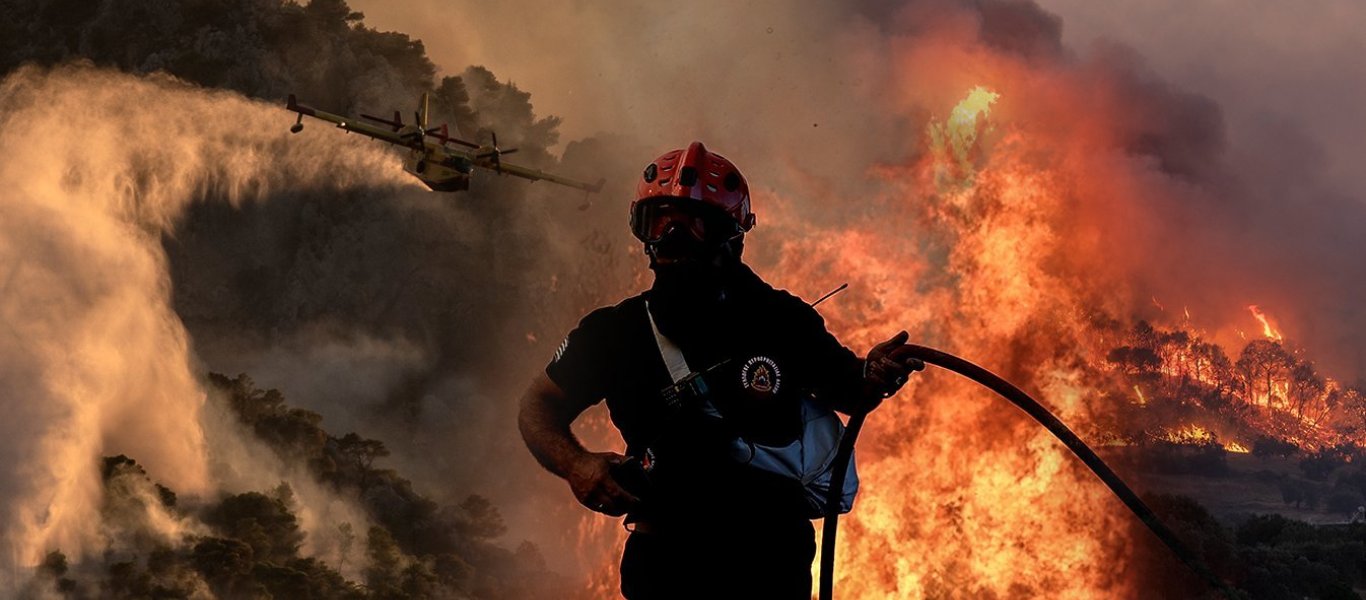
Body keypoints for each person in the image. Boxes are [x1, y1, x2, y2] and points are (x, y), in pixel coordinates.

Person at [518, 141, 924, 599]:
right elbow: (539, 405)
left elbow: (848, 391)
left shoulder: (780, 318)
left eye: (694, 224)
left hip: (769, 564)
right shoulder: (615, 332)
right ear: (641, 230)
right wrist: (577, 465)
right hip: (666, 564)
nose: (673, 237)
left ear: (733, 236)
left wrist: (873, 374)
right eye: (660, 221)